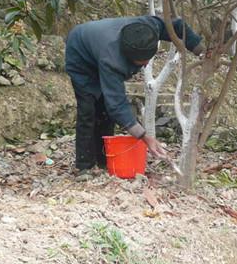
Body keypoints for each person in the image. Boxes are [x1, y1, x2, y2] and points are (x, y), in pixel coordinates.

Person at [65, 15, 204, 175]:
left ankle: (104, 160)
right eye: (141, 63)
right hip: (80, 53)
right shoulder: (112, 60)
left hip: (98, 42)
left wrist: (200, 49)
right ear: (127, 56)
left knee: (105, 111)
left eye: (147, 60)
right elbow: (116, 104)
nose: (145, 65)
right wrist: (145, 137)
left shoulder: (149, 28)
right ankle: (84, 165)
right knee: (89, 108)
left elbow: (177, 26)